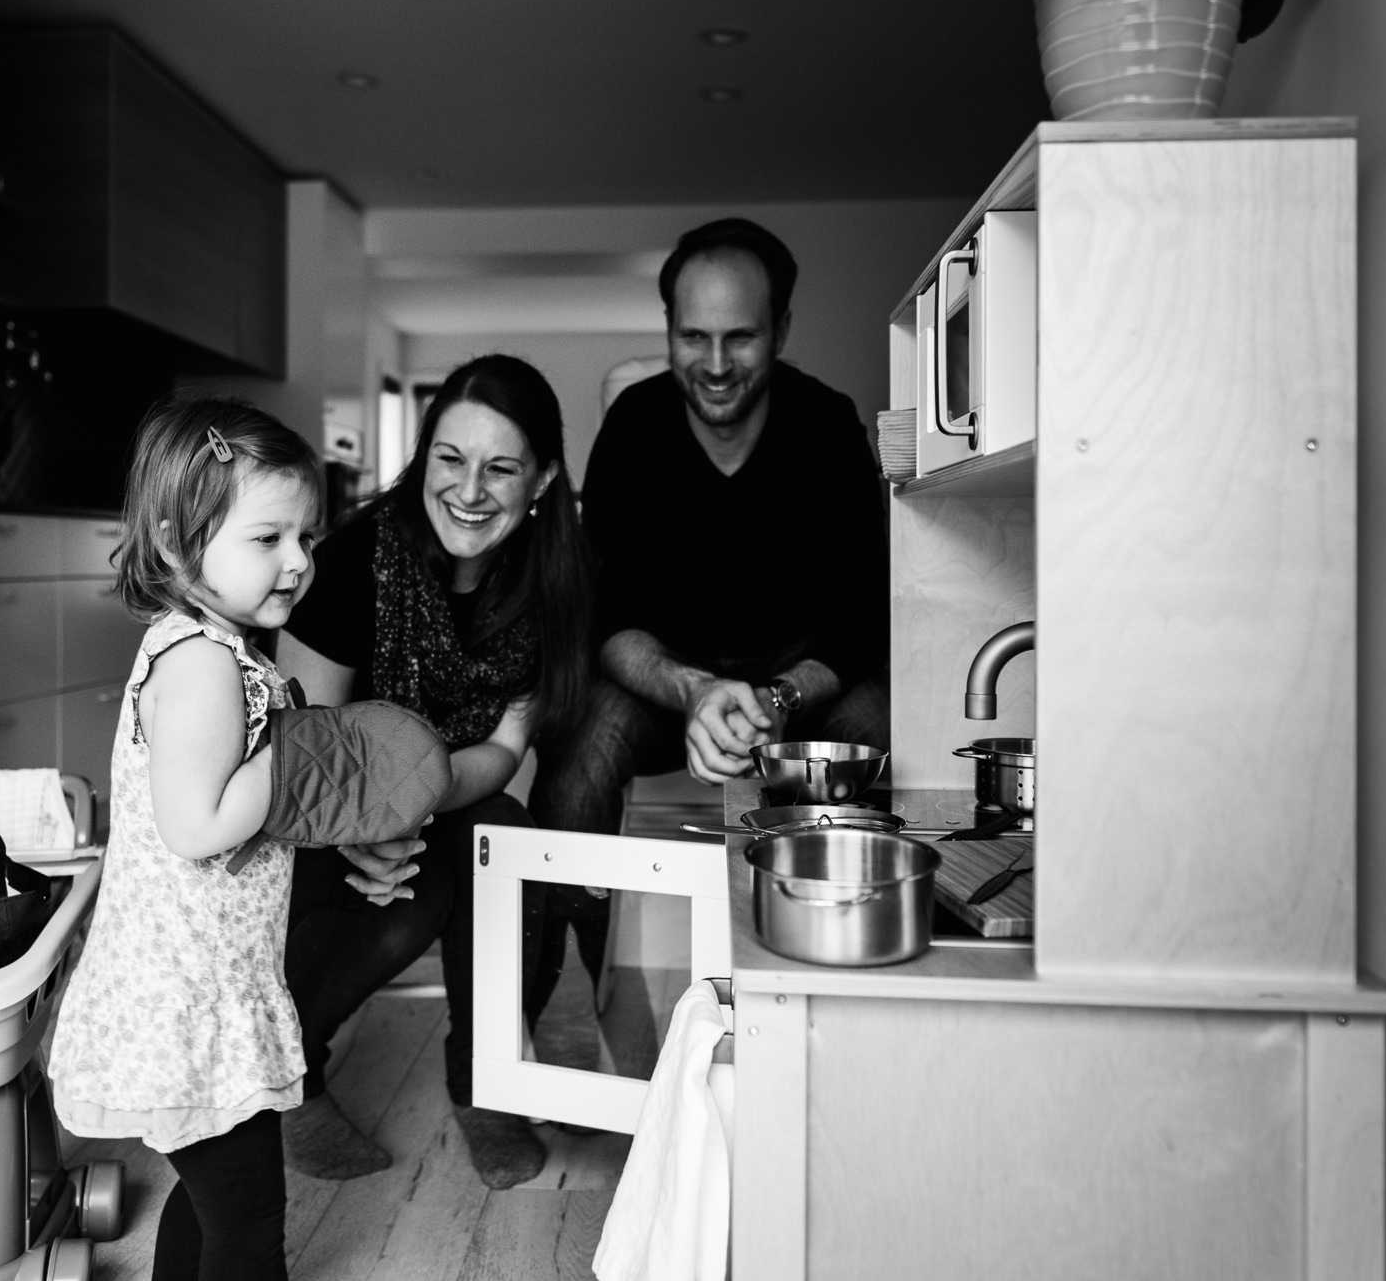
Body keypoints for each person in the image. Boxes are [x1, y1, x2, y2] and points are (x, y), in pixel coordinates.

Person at [277, 353, 594, 1191]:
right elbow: (303, 746)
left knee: (507, 843)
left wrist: (414, 802)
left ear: (543, 478)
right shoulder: (349, 563)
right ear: (425, 459)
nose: (469, 489)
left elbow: (506, 744)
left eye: (501, 467)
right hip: (320, 804)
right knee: (410, 899)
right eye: (450, 460)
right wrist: (371, 821)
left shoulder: (557, 579)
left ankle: (484, 1083)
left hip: (444, 791)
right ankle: (286, 1079)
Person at [47, 398, 324, 1281]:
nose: (297, 561)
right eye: (268, 538)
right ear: (176, 543)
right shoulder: (205, 662)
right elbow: (196, 825)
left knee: (215, 1201)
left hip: (203, 984)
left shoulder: (209, 645)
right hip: (192, 998)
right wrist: (298, 755)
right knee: (248, 1221)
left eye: (306, 538)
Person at [531, 216, 890, 840]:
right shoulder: (633, 426)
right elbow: (605, 615)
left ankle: (842, 913)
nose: (717, 365)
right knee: (578, 754)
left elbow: (860, 617)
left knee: (879, 733)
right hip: (665, 682)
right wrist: (695, 689)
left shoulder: (828, 425)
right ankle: (564, 939)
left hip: (799, 683)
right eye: (694, 336)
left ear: (780, 331)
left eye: (740, 337)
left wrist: (778, 699)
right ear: (669, 330)